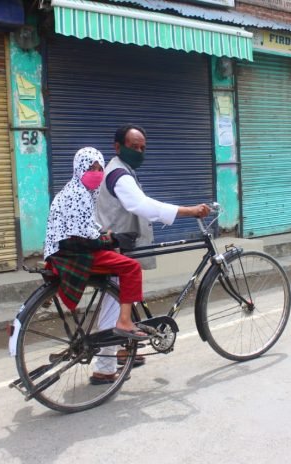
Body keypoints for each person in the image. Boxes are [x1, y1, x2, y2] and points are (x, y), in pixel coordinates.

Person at [92, 123, 210, 379]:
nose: (139, 151)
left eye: (143, 147)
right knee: (114, 305)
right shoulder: (118, 175)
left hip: (123, 245)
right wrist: (188, 211)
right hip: (116, 248)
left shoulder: (122, 170)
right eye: (134, 146)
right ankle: (103, 370)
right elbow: (141, 205)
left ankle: (124, 351)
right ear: (117, 147)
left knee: (122, 300)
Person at [43, 147, 151, 385]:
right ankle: (125, 322)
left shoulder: (76, 190)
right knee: (130, 268)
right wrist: (111, 240)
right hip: (75, 255)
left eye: (99, 168)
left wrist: (105, 234)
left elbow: (86, 226)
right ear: (78, 168)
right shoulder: (79, 193)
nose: (96, 173)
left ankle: (115, 356)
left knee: (115, 280)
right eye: (90, 168)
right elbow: (83, 238)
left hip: (65, 253)